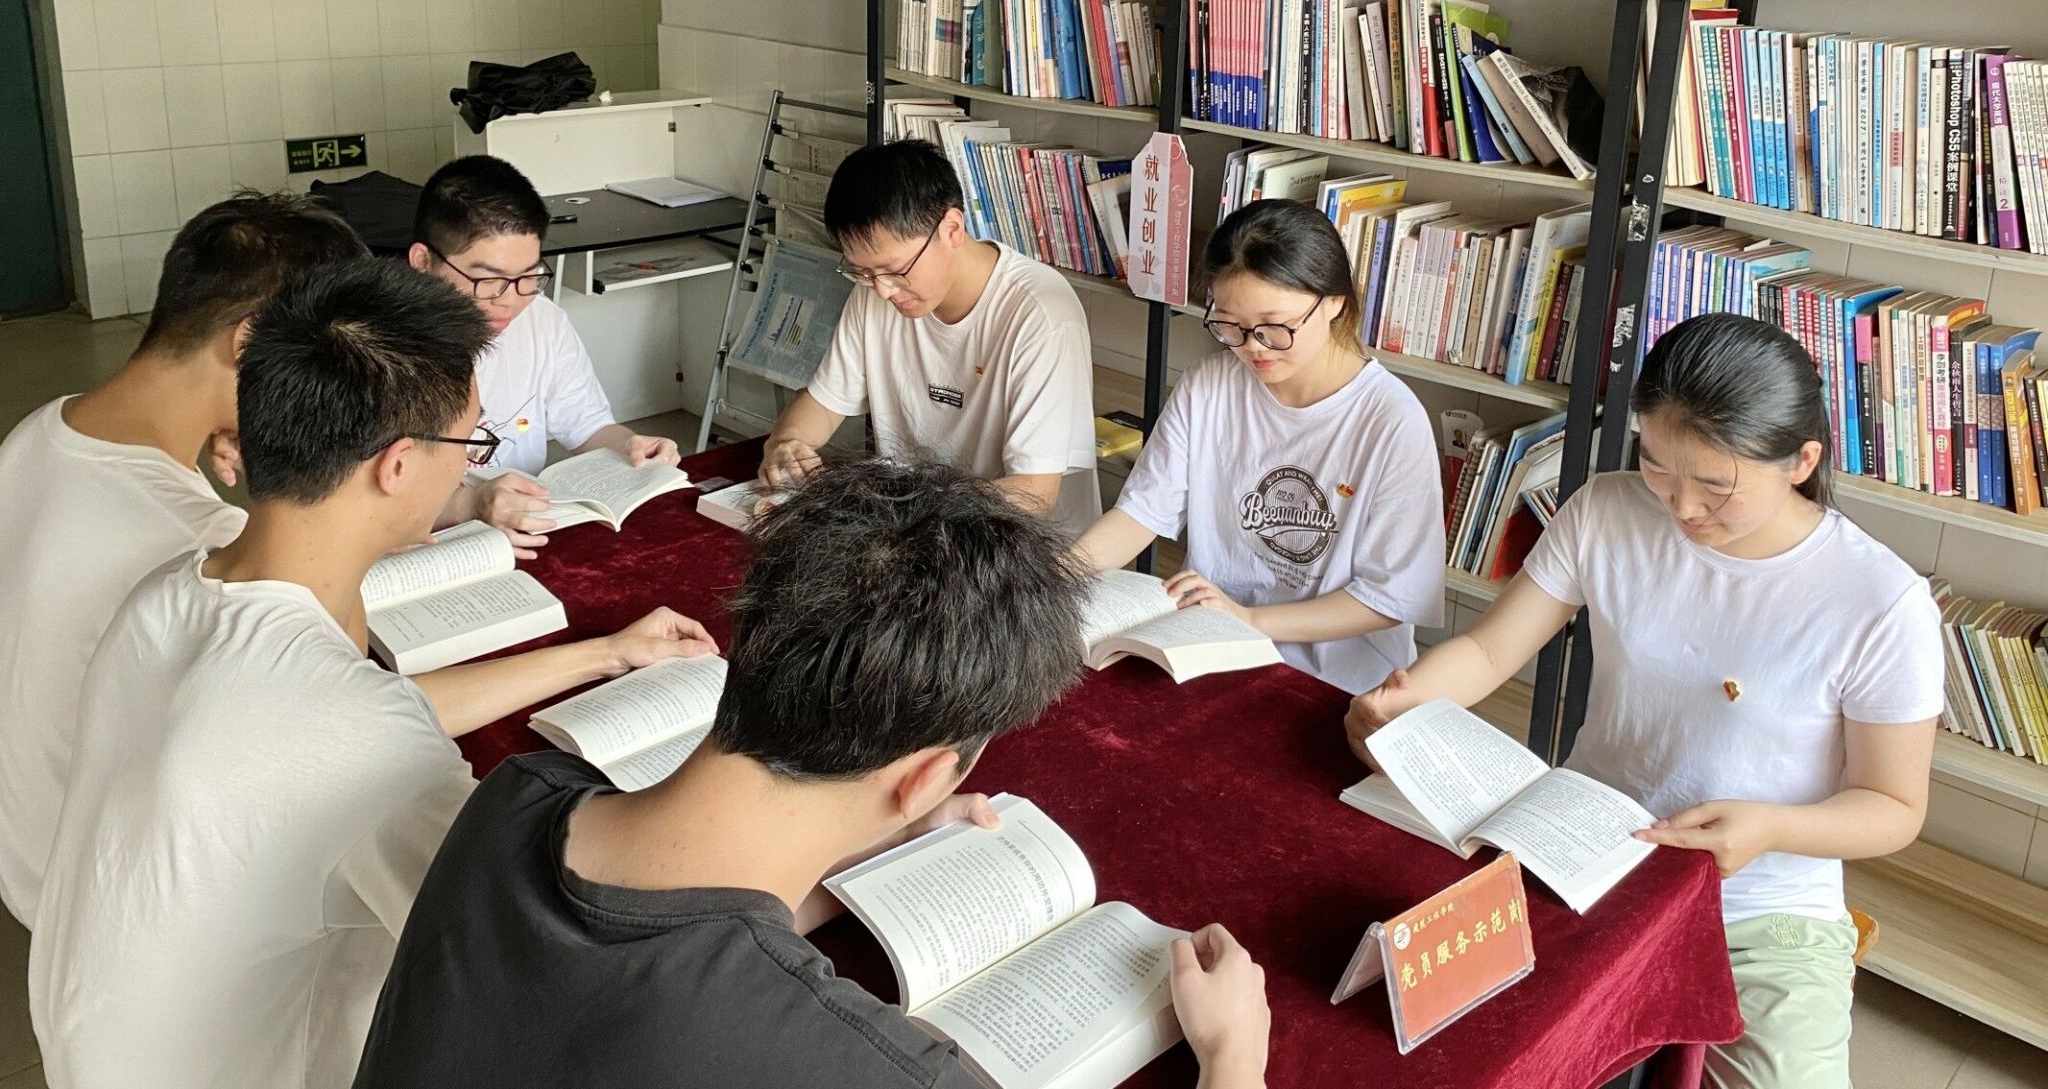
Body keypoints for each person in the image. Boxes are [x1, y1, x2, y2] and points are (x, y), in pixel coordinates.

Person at [352, 458, 1271, 1089]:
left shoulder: (520, 793)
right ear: (927, 778)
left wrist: (856, 856)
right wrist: (1234, 1058)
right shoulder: (868, 1065)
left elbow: (647, 955)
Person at [28, 258, 716, 1089]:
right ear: (396, 465)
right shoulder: (346, 728)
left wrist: (605, 655)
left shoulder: (171, 593)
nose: (470, 469)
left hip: (96, 1045)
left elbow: (353, 716)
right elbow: (549, 953)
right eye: (471, 446)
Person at [1343, 313, 1942, 1089]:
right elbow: (1490, 651)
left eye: (1716, 486)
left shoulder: (1879, 602)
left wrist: (1771, 826)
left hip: (1758, 910)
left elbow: (1893, 805)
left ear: (1802, 461)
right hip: (1582, 858)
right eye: (1657, 466)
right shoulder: (1606, 510)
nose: (1682, 508)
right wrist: (1407, 701)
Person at [0, 191, 365, 929]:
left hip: (26, 852)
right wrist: (299, 493)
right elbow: (339, 701)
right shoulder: (197, 536)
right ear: (250, 341)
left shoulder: (44, 427)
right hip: (108, 904)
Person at [1073, 200, 1444, 694]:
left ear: (1334, 302)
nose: (1253, 347)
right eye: (1230, 325)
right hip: (1209, 646)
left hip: (1333, 680)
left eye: (1274, 326)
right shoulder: (1210, 384)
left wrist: (1250, 620)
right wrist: (1054, 578)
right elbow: (1140, 514)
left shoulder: (1391, 421)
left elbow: (1389, 599)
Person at [760, 140, 1100, 537]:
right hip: (917, 535)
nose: (882, 290)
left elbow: (1034, 494)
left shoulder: (1040, 313)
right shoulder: (875, 293)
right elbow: (822, 403)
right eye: (862, 272)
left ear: (951, 229)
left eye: (895, 270)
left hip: (1022, 548)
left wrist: (902, 508)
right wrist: (786, 444)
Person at [408, 155, 680, 555]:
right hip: (423, 551)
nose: (510, 300)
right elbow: (353, 507)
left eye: (530, 277)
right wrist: (469, 505)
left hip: (525, 536)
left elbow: (587, 426)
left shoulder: (542, 321)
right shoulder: (376, 348)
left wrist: (632, 446)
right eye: (489, 281)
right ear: (422, 262)